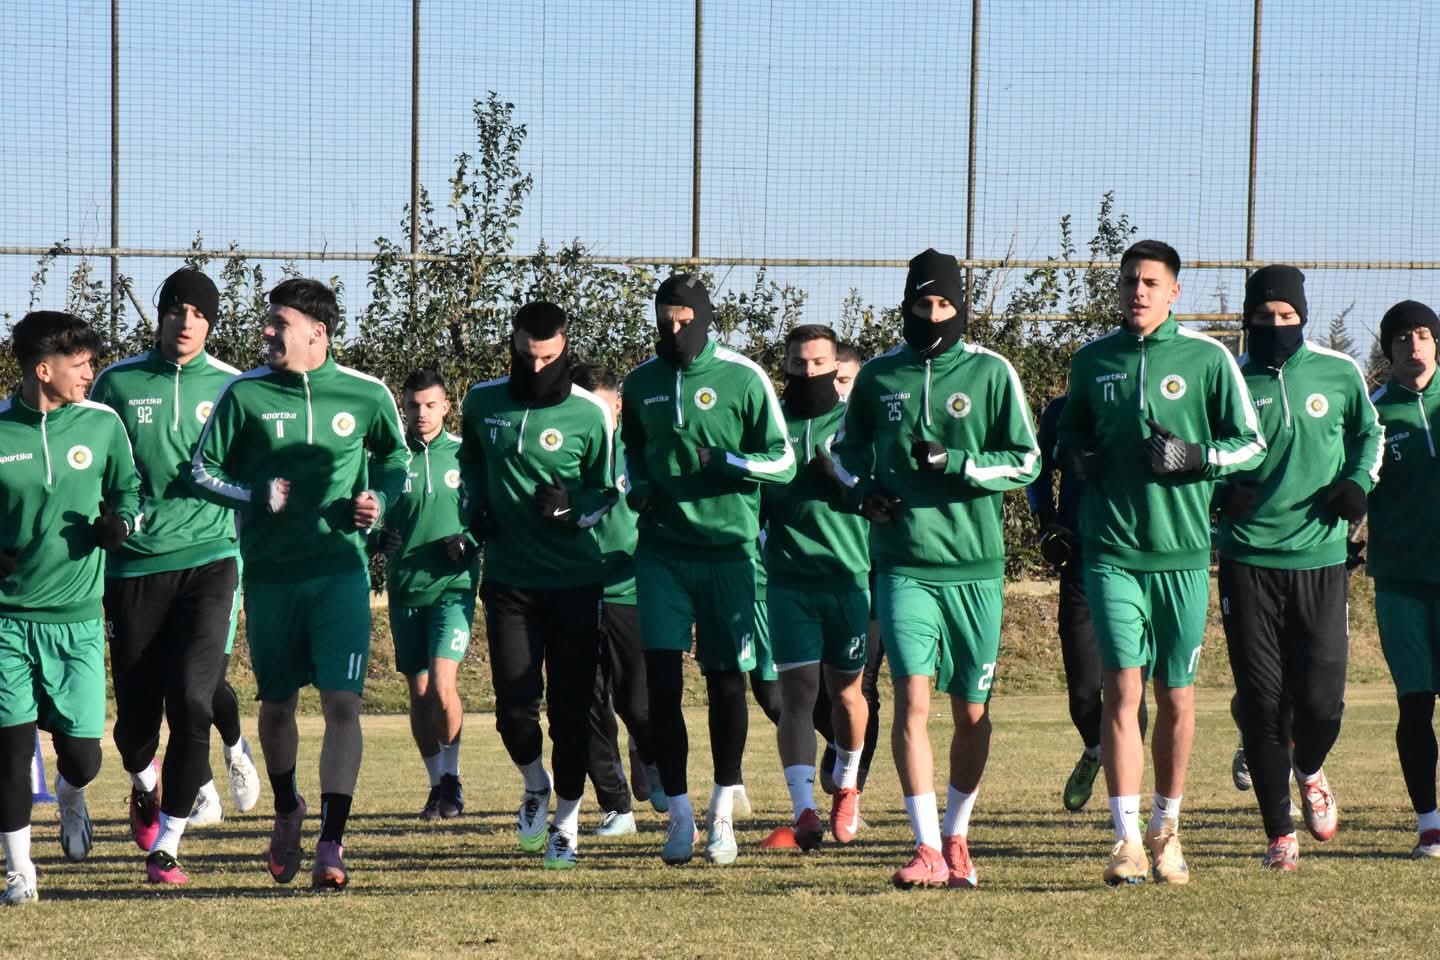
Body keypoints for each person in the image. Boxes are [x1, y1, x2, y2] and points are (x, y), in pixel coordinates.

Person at [1057, 240, 1266, 886]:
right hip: (1111, 553)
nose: (1137, 291)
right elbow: (1067, 435)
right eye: (1128, 281)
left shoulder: (1207, 358)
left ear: (1174, 291)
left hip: (1183, 557)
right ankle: (1125, 840)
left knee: (1176, 696)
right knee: (1122, 690)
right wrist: (1075, 457)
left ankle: (1165, 830)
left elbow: (1251, 444)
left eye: (1150, 282)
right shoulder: (1092, 360)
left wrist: (1197, 457)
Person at [192, 278, 410, 890]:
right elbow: (201, 471)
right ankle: (287, 806)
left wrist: (378, 499)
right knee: (277, 706)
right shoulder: (245, 393)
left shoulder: (366, 393)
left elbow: (396, 460)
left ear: (318, 332)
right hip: (270, 578)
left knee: (343, 704)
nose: (266, 331)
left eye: (278, 323)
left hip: (341, 574)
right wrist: (254, 494)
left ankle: (332, 843)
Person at [834, 248, 1041, 889]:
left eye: (944, 303)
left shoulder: (991, 372)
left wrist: (958, 463)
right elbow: (844, 453)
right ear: (906, 306)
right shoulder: (879, 376)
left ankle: (956, 835)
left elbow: (1027, 461)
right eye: (922, 303)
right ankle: (925, 848)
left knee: (971, 711)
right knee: (911, 701)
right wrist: (862, 494)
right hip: (903, 565)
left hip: (976, 570)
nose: (932, 315)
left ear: (961, 307)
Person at [88, 268, 260, 884]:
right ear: (160, 314)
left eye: (200, 314)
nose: (187, 322)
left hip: (212, 559)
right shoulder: (117, 382)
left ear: (211, 323)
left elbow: (254, 471)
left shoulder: (234, 386)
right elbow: (95, 465)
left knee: (192, 696)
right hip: (134, 565)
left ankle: (169, 842)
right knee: (135, 723)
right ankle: (144, 783)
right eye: (177, 310)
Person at [622, 273, 795, 866]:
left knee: (726, 682)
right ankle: (680, 817)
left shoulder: (744, 377)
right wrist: (638, 487)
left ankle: (722, 813)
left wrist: (727, 462)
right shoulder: (641, 381)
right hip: (662, 555)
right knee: (660, 687)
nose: (674, 330)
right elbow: (631, 451)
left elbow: (783, 460)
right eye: (664, 320)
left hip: (728, 554)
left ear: (703, 317)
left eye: (684, 320)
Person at [1214, 266, 1380, 871]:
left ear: (1303, 317)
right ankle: (1279, 835)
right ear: (1248, 320)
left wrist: (1357, 483)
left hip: (1322, 559)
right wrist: (1219, 495)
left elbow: (1369, 434)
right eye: (1264, 317)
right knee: (1263, 703)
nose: (1276, 325)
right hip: (1247, 560)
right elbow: (1198, 456)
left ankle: (1309, 768)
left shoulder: (1339, 371)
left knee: (1321, 703)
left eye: (1287, 316)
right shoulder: (1227, 378)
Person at [459, 302, 615, 869]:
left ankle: (566, 824)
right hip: (508, 581)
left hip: (575, 582)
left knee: (571, 713)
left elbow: (607, 491)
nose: (537, 365)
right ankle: (534, 784)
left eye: (548, 357)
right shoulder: (482, 401)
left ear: (565, 348)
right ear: (514, 344)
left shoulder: (590, 413)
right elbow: (470, 464)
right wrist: (473, 509)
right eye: (528, 355)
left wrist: (573, 507)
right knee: (514, 710)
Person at [0, 310, 141, 906]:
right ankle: (19, 872)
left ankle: (71, 795)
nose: (89, 374)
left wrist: (121, 524)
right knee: (9, 754)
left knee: (83, 757)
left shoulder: (102, 423)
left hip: (78, 620)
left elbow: (131, 492)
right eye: (80, 364)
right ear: (43, 369)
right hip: (7, 622)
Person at [765, 325, 871, 850]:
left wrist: (841, 481)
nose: (809, 372)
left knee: (846, 693)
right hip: (788, 580)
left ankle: (847, 785)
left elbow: (878, 489)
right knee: (797, 694)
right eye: (799, 363)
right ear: (785, 364)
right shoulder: (770, 421)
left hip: (848, 577)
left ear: (835, 366)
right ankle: (803, 810)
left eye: (819, 363)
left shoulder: (856, 422)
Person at [1029, 390, 1148, 813]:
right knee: (1082, 695)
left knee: (1130, 693)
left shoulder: (1145, 403)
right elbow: (1036, 471)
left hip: (1135, 565)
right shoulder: (1062, 411)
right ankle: (1095, 749)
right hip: (1081, 566)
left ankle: (1128, 809)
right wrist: (1048, 523)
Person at [377, 369, 478, 821]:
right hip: (405, 589)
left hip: (453, 587)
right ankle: (436, 785)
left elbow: (489, 510)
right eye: (413, 405)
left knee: (441, 684)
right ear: (403, 408)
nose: (421, 413)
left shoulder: (465, 454)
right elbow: (363, 511)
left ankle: (453, 779)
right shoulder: (390, 459)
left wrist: (469, 541)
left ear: (446, 407)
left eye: (430, 405)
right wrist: (376, 538)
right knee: (418, 693)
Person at [569, 361, 661, 837]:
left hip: (632, 591)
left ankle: (650, 753)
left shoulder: (638, 449)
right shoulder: (565, 448)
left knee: (639, 703)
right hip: (576, 591)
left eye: (601, 409)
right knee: (586, 706)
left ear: (619, 407)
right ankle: (616, 807)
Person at [1366, 299, 1440, 859]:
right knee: (1415, 704)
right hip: (1400, 582)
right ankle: (1429, 825)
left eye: (1422, 334)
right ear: (1389, 350)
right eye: (1401, 338)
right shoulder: (1372, 413)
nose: (1413, 345)